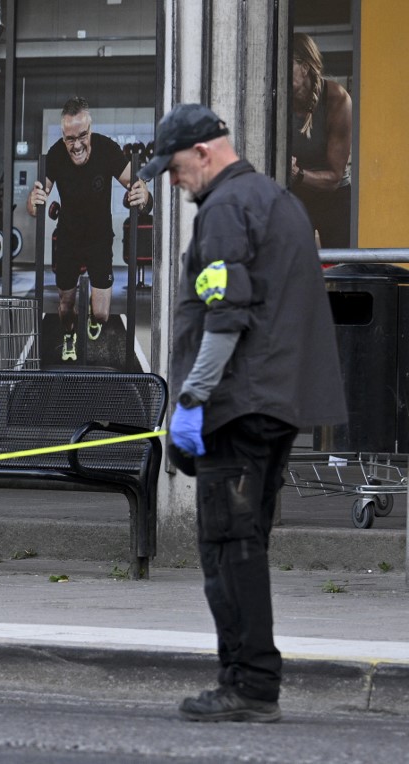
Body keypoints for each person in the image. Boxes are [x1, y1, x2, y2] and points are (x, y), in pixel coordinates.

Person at [139, 104, 347, 723]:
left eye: (174, 170)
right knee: (243, 543)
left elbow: (225, 316)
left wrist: (191, 403)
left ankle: (251, 685)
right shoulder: (279, 201)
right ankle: (247, 679)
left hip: (238, 408)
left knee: (228, 548)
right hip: (274, 407)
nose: (172, 183)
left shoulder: (227, 209)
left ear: (203, 153)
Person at [26, 97, 152, 362]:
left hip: (99, 237)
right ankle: (69, 333)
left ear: (90, 130)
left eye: (82, 135)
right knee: (65, 305)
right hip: (69, 238)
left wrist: (144, 196)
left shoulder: (107, 149)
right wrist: (35, 200)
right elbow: (36, 201)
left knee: (104, 314)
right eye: (70, 138)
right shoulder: (57, 154)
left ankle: (93, 318)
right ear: (63, 136)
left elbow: (137, 186)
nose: (77, 144)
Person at [290, 32, 353, 248]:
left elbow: (335, 177)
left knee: (340, 268)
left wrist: (297, 174)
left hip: (334, 196)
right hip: (297, 194)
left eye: (285, 66)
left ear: (304, 67)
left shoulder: (336, 99)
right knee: (296, 266)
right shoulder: (278, 98)